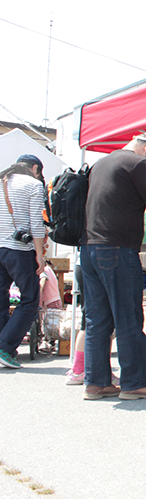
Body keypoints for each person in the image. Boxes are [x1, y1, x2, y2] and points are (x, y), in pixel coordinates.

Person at [81, 133, 146, 400]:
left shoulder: (101, 163)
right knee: (128, 318)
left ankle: (96, 383)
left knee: (97, 320)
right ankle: (134, 382)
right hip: (117, 249)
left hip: (89, 248)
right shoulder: (137, 164)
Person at [0, 155, 46, 369]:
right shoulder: (34, 184)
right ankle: (4, 347)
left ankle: (3, 347)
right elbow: (36, 223)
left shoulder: (2, 179)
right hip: (18, 250)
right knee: (30, 300)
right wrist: (40, 254)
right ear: (35, 168)